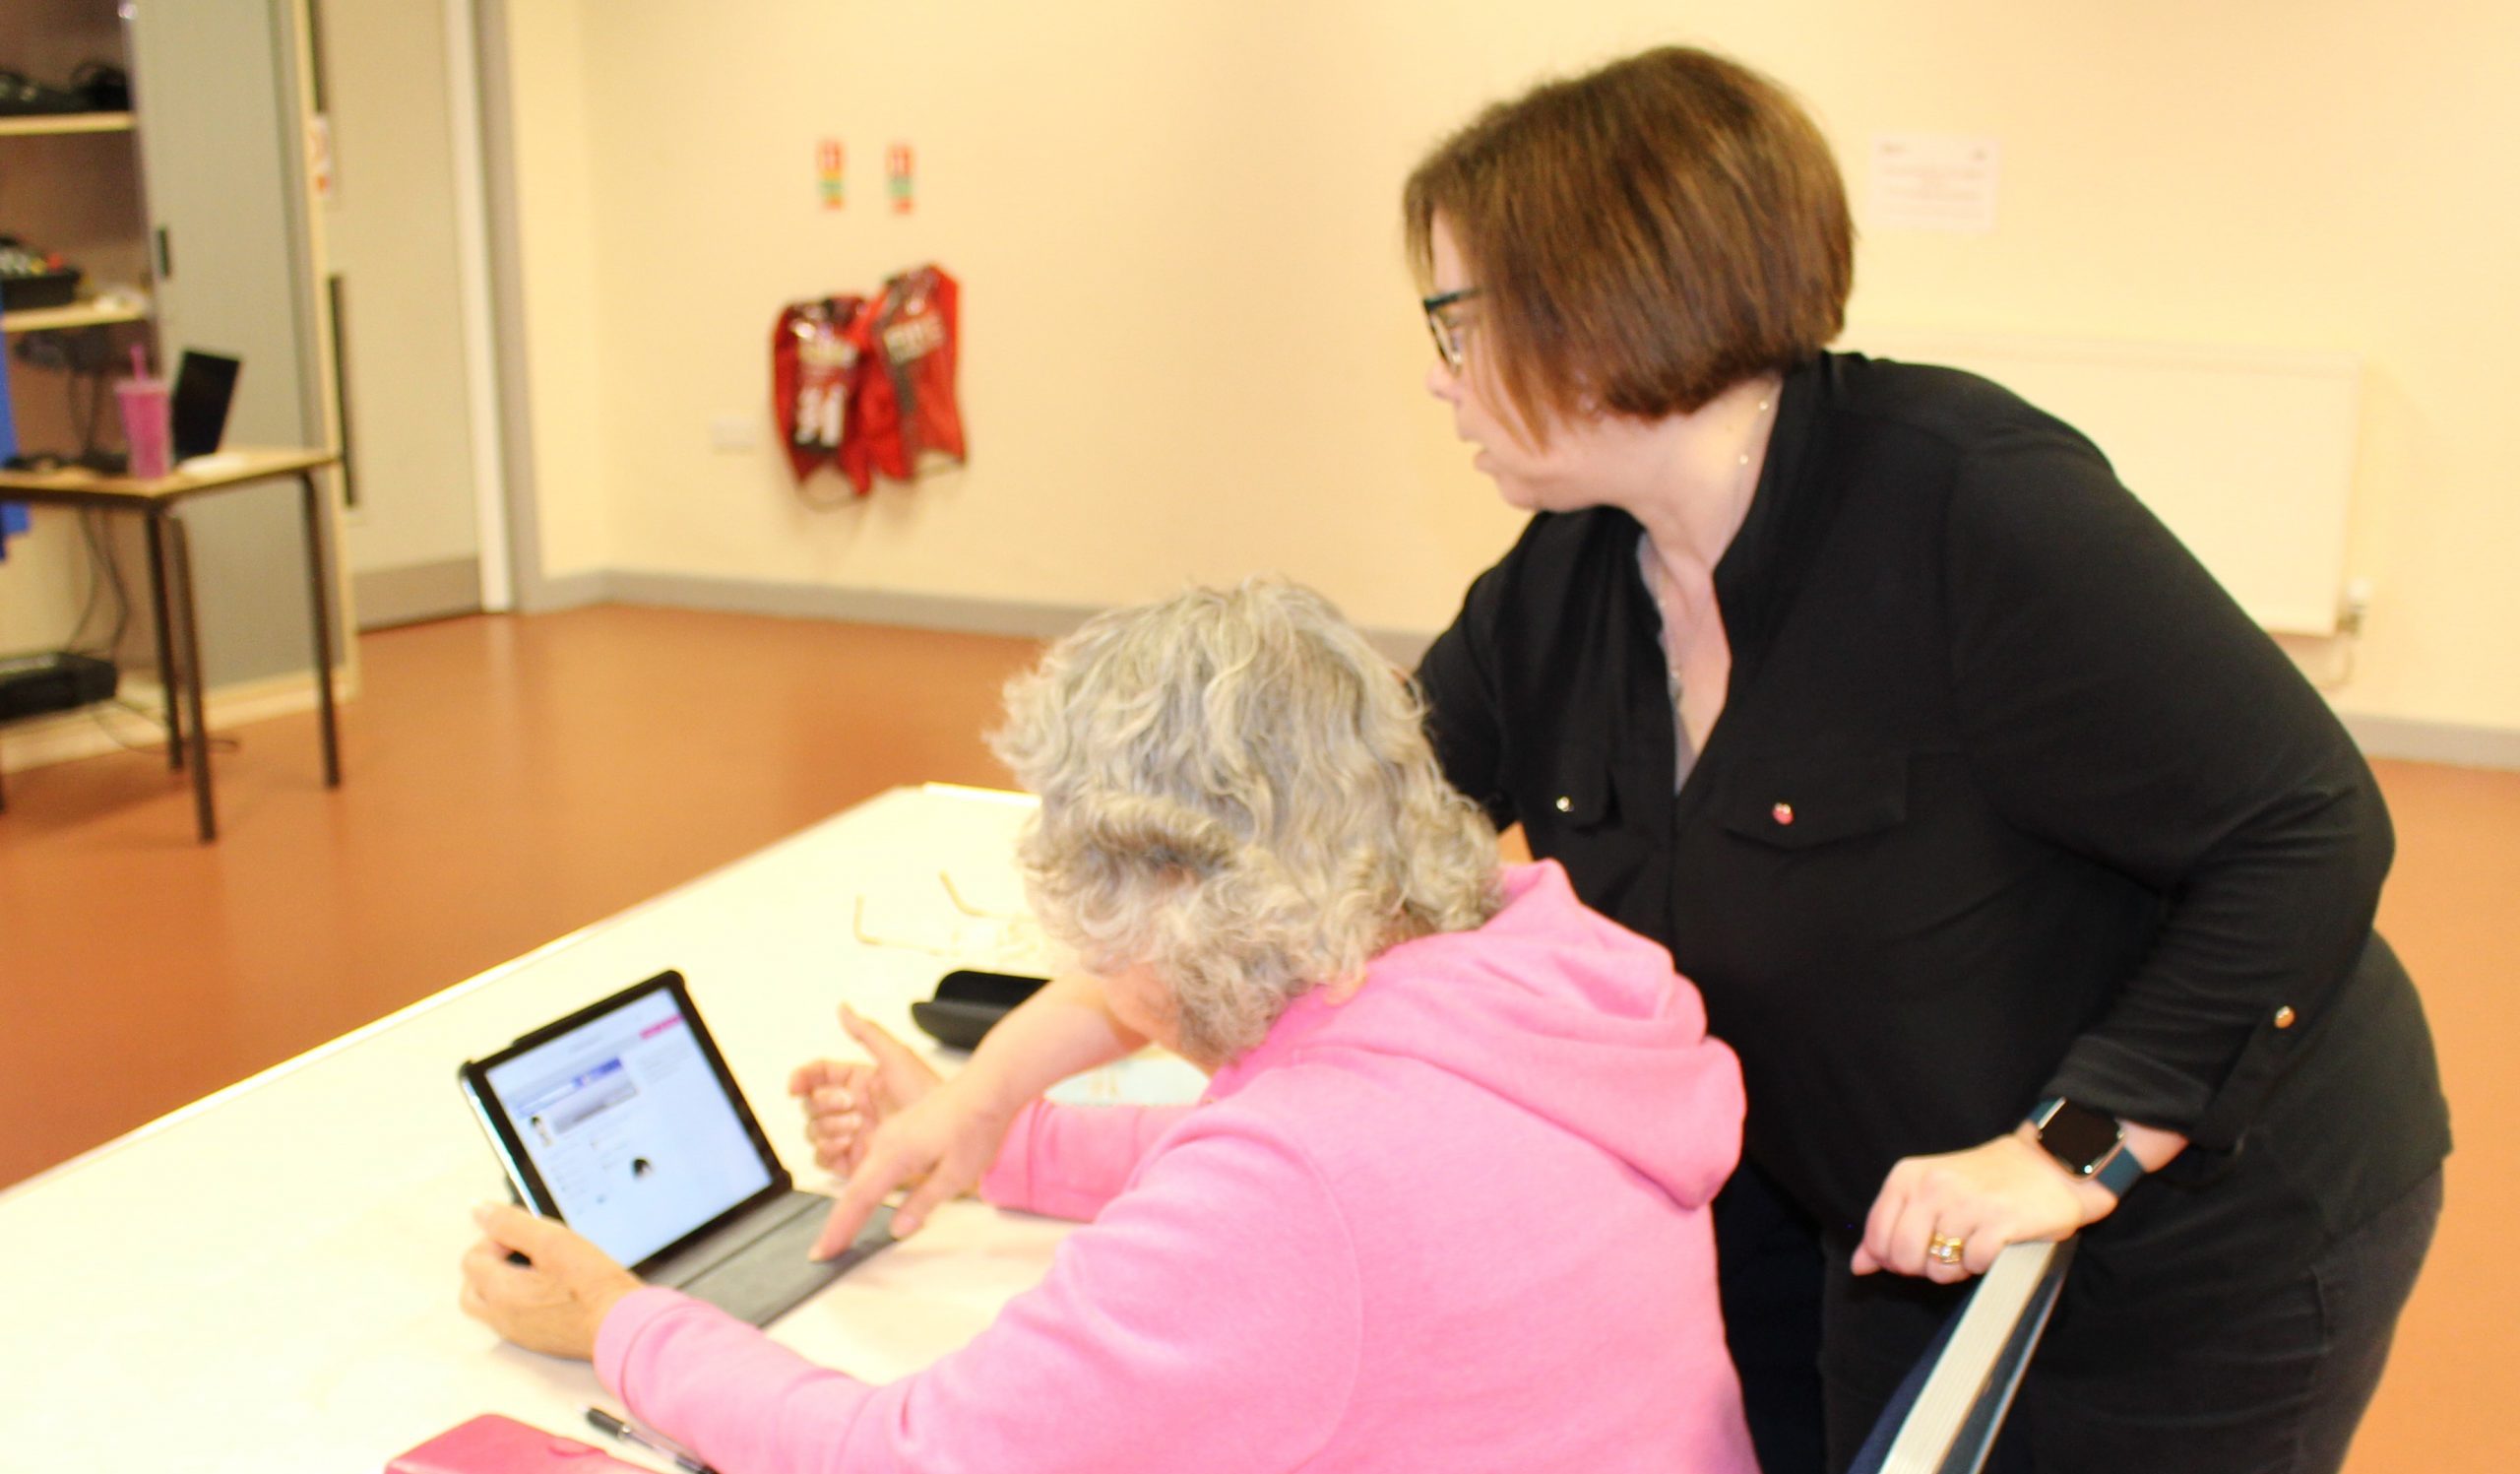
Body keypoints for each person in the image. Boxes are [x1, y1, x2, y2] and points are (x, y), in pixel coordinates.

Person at [804, 47, 2449, 1474]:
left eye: (1454, 316)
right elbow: (1270, 869)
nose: (1437, 372)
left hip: (2205, 1214)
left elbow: (2309, 829)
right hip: (1872, 1199)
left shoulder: (1970, 508)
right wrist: (981, 1092)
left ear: (1604, 300)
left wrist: (2067, 1149)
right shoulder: (1569, 581)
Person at [463, 578, 1760, 1474]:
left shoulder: (1299, 1182)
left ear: (1168, 901)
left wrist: (619, 1320)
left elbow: (912, 1456)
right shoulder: (1540, 974)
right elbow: (1313, 1175)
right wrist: (1002, 1145)